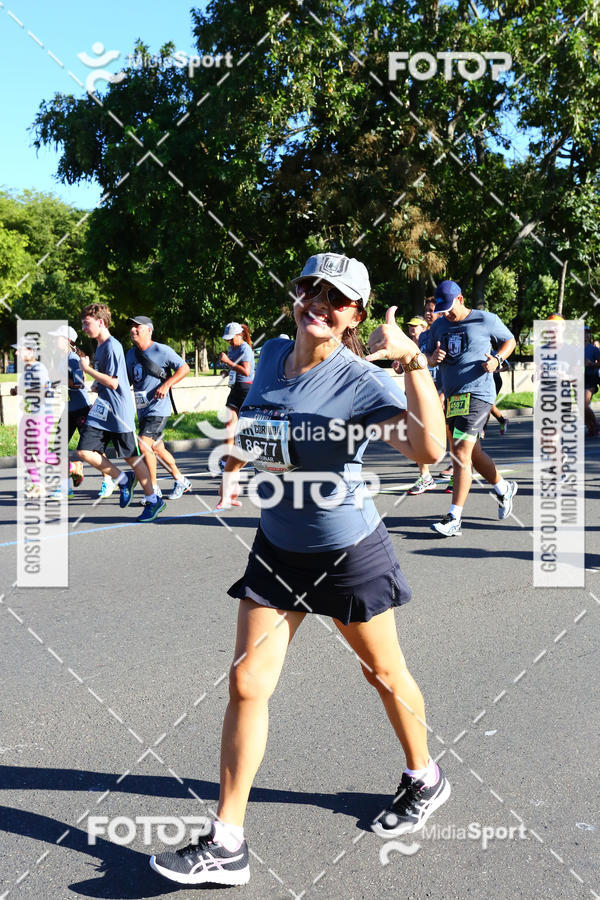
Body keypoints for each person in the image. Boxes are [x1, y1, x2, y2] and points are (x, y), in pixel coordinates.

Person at [149, 252, 450, 887]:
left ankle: (425, 776)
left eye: (337, 298)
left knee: (384, 674)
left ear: (354, 316)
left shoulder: (364, 381)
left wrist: (413, 360)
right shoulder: (271, 355)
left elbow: (429, 449)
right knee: (246, 681)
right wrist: (238, 453)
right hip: (278, 547)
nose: (320, 303)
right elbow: (264, 427)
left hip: (345, 552)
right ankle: (227, 841)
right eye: (310, 289)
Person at [427, 280, 517, 537]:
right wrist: (433, 359)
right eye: (442, 308)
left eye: (450, 307)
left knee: (460, 452)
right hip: (454, 398)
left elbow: (509, 340)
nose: (446, 313)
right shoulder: (440, 325)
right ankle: (503, 488)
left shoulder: (486, 319)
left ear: (461, 299)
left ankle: (454, 517)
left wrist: (498, 359)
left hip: (479, 394)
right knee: (473, 454)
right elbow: (428, 352)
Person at [75, 303, 165, 523]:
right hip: (103, 408)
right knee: (84, 451)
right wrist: (97, 384)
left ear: (101, 322)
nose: (84, 329)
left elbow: (115, 383)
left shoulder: (112, 346)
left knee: (132, 457)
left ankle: (153, 500)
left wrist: (87, 370)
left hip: (118, 411)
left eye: (86, 324)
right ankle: (123, 479)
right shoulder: (101, 346)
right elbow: (108, 380)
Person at [125, 315, 192, 500]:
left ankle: (153, 490)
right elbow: (129, 380)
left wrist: (166, 385)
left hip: (158, 409)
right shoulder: (131, 354)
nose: (133, 330)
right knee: (156, 449)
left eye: (137, 327)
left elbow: (184, 368)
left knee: (142, 445)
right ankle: (181, 480)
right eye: (131, 327)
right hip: (143, 410)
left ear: (148, 329)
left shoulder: (162, 350)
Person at [401, 316, 438, 495]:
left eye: (415, 326)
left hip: (437, 393)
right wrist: (398, 365)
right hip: (417, 395)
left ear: (424, 327)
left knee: (451, 434)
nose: (412, 329)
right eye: (410, 326)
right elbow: (402, 367)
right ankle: (426, 476)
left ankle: (459, 470)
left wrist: (443, 394)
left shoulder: (432, 341)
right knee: (415, 434)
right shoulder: (407, 345)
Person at [218, 322, 255, 472]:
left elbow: (246, 372)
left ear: (239, 335)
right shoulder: (232, 348)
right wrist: (228, 372)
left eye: (231, 339)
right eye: (227, 339)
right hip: (235, 388)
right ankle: (227, 459)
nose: (229, 342)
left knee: (246, 428)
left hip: (246, 388)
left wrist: (228, 362)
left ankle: (238, 457)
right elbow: (235, 367)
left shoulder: (245, 349)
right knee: (229, 425)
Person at [584, 325, 600, 437]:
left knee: (584, 403)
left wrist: (591, 364)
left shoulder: (593, 349)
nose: (585, 334)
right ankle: (590, 427)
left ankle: (595, 424)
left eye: (587, 332)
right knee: (581, 407)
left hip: (591, 378)